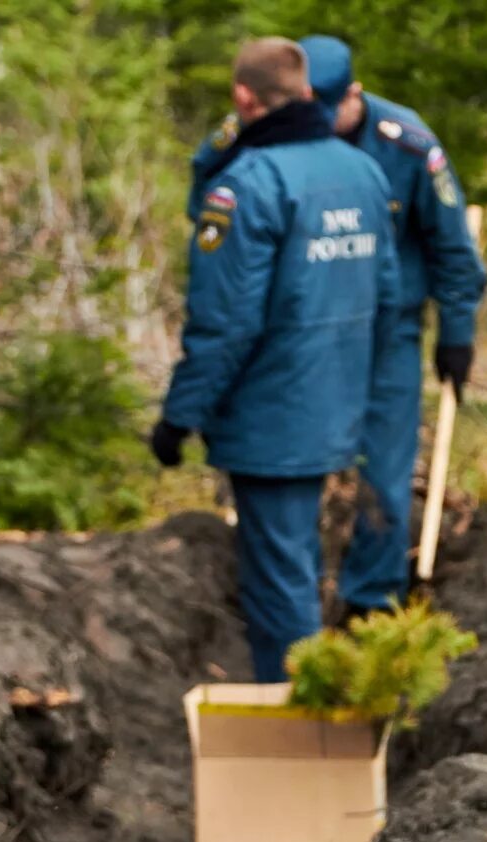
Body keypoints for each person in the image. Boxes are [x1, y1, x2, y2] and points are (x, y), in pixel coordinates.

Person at [153, 37, 401, 682]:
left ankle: (297, 726)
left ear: (243, 96)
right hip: (335, 405)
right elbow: (389, 294)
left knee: (278, 580)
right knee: (295, 559)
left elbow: (224, 322)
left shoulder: (249, 186)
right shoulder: (363, 172)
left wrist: (179, 416)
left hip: (273, 416)